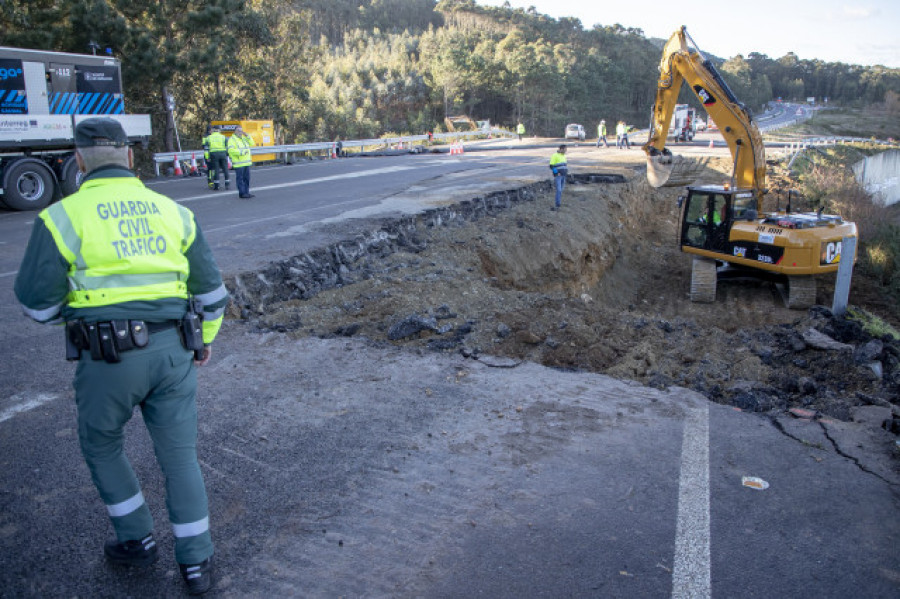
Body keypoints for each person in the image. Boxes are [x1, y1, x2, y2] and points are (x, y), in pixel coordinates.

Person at [14, 117, 228, 596]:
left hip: (107, 358)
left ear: (78, 160)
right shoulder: (174, 213)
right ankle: (197, 565)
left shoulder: (61, 217)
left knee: (102, 444)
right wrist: (203, 340)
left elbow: (37, 305)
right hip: (174, 351)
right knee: (179, 458)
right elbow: (213, 297)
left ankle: (136, 540)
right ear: (131, 158)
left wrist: (80, 313)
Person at [227, 125, 255, 199]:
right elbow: (231, 150)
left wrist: (248, 136)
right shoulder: (232, 140)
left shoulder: (244, 138)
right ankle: (242, 193)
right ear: (235, 131)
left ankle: (247, 192)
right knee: (240, 179)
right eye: (238, 130)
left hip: (246, 162)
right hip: (239, 163)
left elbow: (252, 143)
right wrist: (241, 152)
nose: (240, 132)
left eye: (241, 130)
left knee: (247, 179)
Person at [206, 125, 230, 190]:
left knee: (216, 169)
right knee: (225, 168)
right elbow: (227, 146)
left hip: (213, 154)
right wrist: (227, 154)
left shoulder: (209, 138)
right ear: (219, 130)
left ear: (213, 130)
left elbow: (206, 149)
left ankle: (217, 185)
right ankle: (227, 184)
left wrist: (207, 157)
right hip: (222, 153)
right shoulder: (223, 137)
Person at [548, 144, 568, 210]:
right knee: (559, 190)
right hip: (558, 176)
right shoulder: (555, 155)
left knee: (561, 190)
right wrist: (556, 173)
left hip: (563, 175)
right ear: (561, 149)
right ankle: (557, 204)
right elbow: (551, 166)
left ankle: (558, 202)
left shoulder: (564, 156)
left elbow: (565, 165)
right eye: (565, 149)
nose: (566, 151)